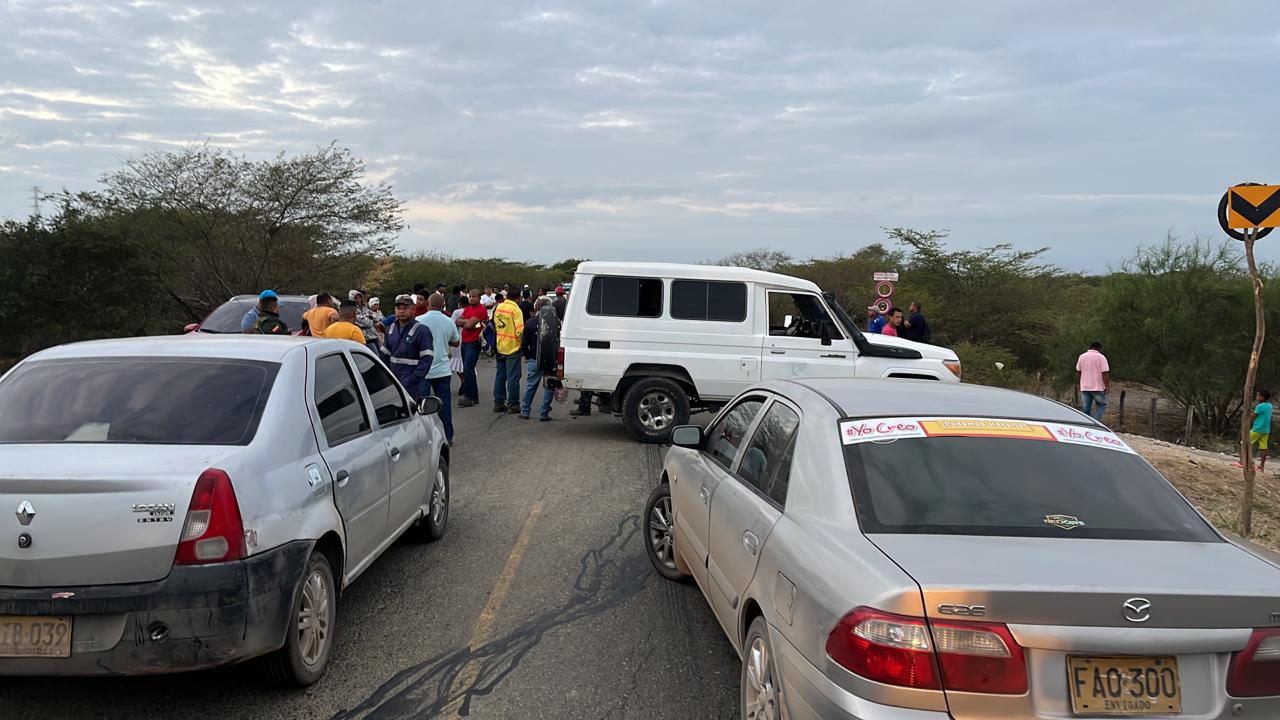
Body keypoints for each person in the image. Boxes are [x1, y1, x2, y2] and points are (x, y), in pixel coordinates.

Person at [417, 293, 461, 444]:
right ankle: (448, 436)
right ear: (443, 306)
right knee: (444, 405)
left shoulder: (418, 321)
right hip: (443, 370)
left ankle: (424, 438)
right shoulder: (449, 321)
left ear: (428, 304)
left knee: (422, 407)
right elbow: (456, 342)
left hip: (424, 370)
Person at [380, 294, 434, 401]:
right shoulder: (390, 329)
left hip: (414, 385)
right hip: (394, 383)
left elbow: (427, 360)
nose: (401, 311)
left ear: (413, 309)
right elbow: (383, 357)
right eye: (398, 308)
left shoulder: (422, 330)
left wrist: (412, 380)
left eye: (405, 308)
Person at [519, 298, 556, 421]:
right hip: (550, 360)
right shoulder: (556, 322)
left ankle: (525, 411)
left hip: (534, 359)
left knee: (530, 386)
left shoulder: (530, 322)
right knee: (549, 387)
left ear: (537, 307)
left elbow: (524, 343)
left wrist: (526, 355)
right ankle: (544, 413)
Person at [492, 290, 525, 413]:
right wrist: (522, 344)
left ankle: (499, 403)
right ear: (518, 298)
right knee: (513, 378)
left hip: (500, 345)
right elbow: (520, 331)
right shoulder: (516, 310)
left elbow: (493, 325)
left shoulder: (498, 307)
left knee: (500, 376)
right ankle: (513, 405)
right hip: (512, 347)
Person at [457, 288, 489, 407]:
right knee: (467, 369)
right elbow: (457, 321)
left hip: (474, 342)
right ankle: (473, 396)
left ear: (479, 298)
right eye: (470, 296)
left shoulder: (481, 310)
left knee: (468, 369)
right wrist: (467, 321)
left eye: (473, 296)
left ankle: (469, 396)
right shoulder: (468, 309)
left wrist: (466, 322)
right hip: (465, 341)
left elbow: (469, 325)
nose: (471, 298)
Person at [1076, 341, 1110, 421]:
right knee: (1102, 405)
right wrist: (1107, 385)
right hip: (1097, 387)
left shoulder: (1082, 356)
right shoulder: (1101, 357)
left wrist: (1079, 384)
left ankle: (1084, 422)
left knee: (1086, 407)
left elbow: (1078, 371)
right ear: (1099, 348)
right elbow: (1105, 373)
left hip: (1084, 386)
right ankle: (1094, 421)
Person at [1252, 389, 1273, 473]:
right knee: (1263, 448)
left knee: (1245, 443)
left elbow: (1253, 416)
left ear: (1262, 397)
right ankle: (1262, 466)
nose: (1256, 397)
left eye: (1258, 396)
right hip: (1266, 430)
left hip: (1257, 429)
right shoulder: (1270, 406)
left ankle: (1242, 462)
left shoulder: (1259, 406)